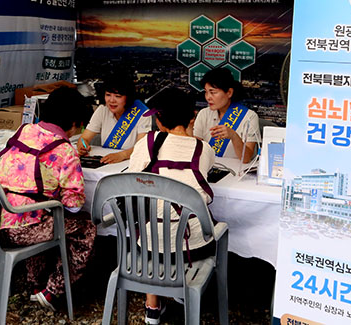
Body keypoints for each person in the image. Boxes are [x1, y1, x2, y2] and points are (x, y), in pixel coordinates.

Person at [0, 86, 95, 310]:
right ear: (75, 122)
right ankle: (53, 290)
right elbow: (74, 205)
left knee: (41, 213)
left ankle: (35, 284)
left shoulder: (23, 131)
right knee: (84, 228)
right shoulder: (65, 150)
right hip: (23, 229)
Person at [128, 87, 216, 325]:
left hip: (147, 246)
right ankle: (182, 295)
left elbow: (132, 181)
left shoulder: (146, 143)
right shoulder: (203, 149)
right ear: (193, 117)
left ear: (158, 120)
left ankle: (152, 307)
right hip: (192, 247)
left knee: (153, 222)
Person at [78, 73, 152, 164]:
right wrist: (82, 145)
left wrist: (122, 155)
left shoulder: (143, 113)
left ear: (127, 97)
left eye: (118, 96)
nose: (112, 100)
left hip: (130, 164)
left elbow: (142, 147)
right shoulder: (102, 109)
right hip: (106, 162)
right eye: (108, 95)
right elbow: (84, 137)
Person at [193, 68, 261, 163]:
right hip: (208, 169)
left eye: (213, 92)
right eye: (206, 92)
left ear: (229, 93)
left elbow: (246, 159)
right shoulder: (204, 113)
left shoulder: (249, 116)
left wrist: (234, 136)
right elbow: (194, 151)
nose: (208, 97)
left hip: (234, 173)